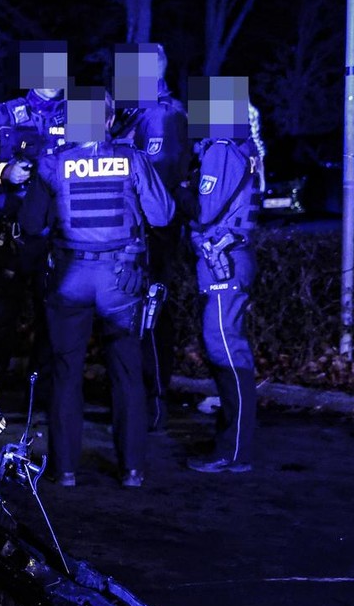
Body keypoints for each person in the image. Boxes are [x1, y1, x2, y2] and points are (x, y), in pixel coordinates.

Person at [26, 88, 173, 489]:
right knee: (127, 372)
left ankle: (65, 471)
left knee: (66, 372)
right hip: (121, 281)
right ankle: (132, 470)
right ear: (108, 120)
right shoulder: (132, 159)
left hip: (70, 279)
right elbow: (162, 215)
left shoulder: (52, 163)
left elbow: (31, 225)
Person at [0, 46, 69, 377]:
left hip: (61, 235)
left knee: (55, 320)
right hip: (13, 237)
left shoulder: (81, 111)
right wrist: (3, 172)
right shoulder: (4, 115)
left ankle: (45, 393)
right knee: (0, 319)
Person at [187, 84, 259, 474]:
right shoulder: (244, 148)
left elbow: (205, 209)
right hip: (234, 257)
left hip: (223, 261)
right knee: (228, 348)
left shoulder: (220, 149)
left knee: (226, 350)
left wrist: (179, 191)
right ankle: (232, 442)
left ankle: (233, 450)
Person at [121, 44, 191, 433]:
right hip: (135, 230)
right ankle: (137, 396)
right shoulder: (137, 112)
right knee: (135, 313)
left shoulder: (163, 115)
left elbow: (158, 180)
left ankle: (154, 402)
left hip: (154, 231)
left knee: (151, 313)